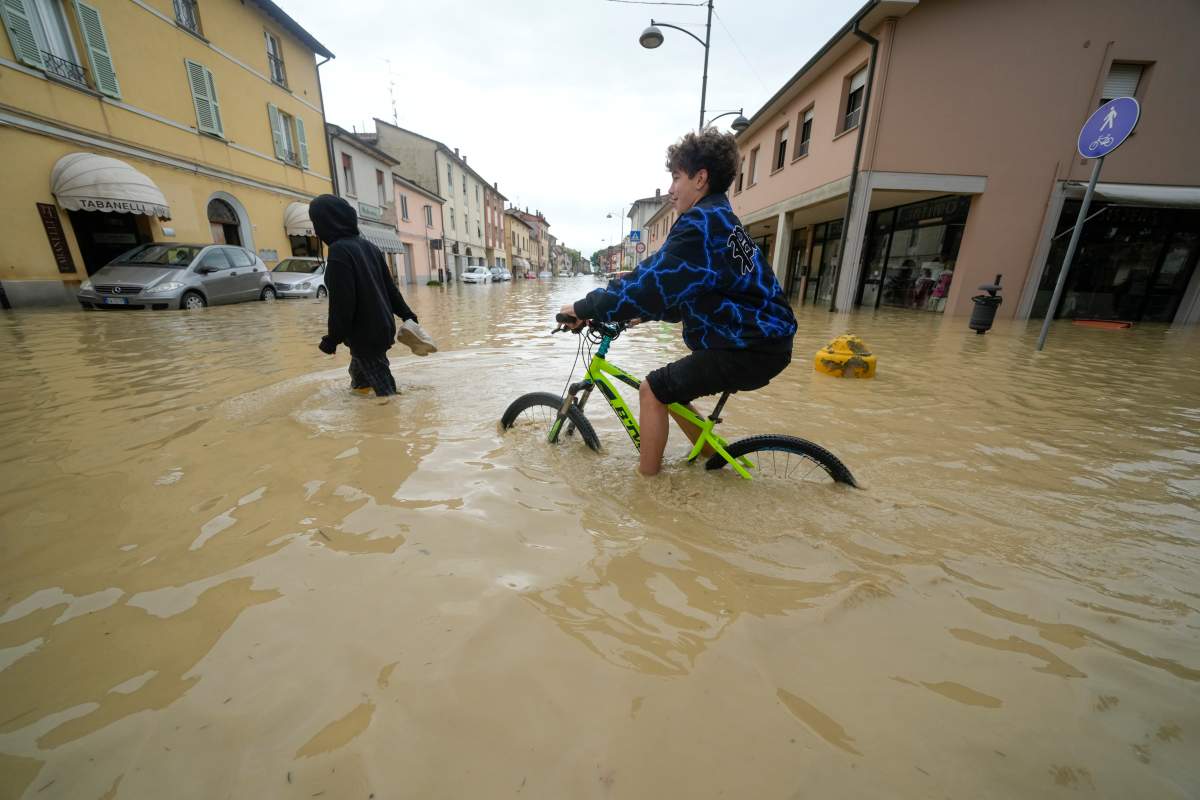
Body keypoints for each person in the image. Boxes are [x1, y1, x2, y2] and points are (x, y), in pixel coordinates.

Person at [560, 128, 797, 476]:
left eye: (676, 177)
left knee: (653, 389)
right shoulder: (719, 219)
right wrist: (640, 314)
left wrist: (582, 308)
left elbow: (649, 285)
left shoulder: (700, 225)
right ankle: (710, 459)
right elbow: (683, 287)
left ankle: (648, 488)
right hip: (760, 340)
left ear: (700, 178)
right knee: (673, 390)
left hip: (750, 345)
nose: (670, 189)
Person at [309, 194, 424, 397]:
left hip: (365, 335)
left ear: (326, 223)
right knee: (359, 374)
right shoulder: (370, 247)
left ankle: (391, 424)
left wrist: (331, 340)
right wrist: (407, 315)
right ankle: (361, 401)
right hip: (381, 328)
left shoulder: (338, 252)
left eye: (315, 222)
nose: (315, 229)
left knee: (386, 392)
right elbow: (391, 290)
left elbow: (342, 305)